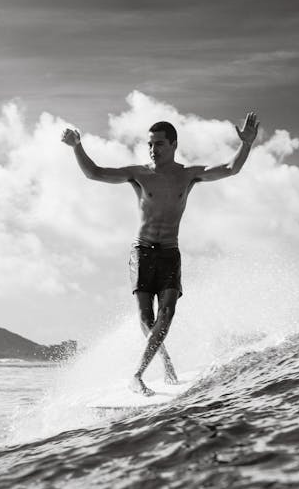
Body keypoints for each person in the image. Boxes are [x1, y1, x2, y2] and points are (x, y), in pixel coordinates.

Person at [61, 113, 260, 395]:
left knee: (167, 313)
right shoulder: (139, 173)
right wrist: (77, 146)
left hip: (169, 252)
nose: (153, 149)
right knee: (147, 318)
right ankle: (164, 360)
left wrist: (247, 145)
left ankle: (137, 375)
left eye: (159, 144)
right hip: (142, 252)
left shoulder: (188, 175)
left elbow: (230, 168)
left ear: (173, 144)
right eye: (150, 144)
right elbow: (94, 172)